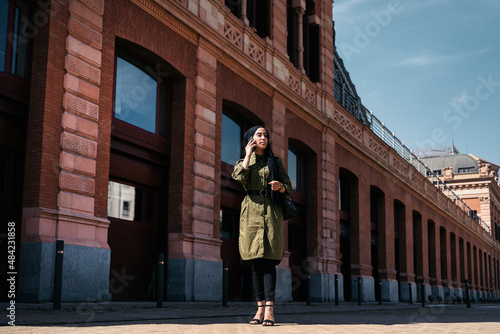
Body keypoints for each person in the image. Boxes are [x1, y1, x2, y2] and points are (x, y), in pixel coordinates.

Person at [231, 126, 292, 326]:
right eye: (259, 135)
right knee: (256, 264)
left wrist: (281, 187)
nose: (263, 138)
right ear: (251, 139)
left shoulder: (275, 162)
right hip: (251, 214)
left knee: (269, 262)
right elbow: (239, 177)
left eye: (265, 135)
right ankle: (259, 309)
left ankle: (270, 311)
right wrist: (248, 155)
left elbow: (289, 187)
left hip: (272, 213)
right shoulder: (244, 162)